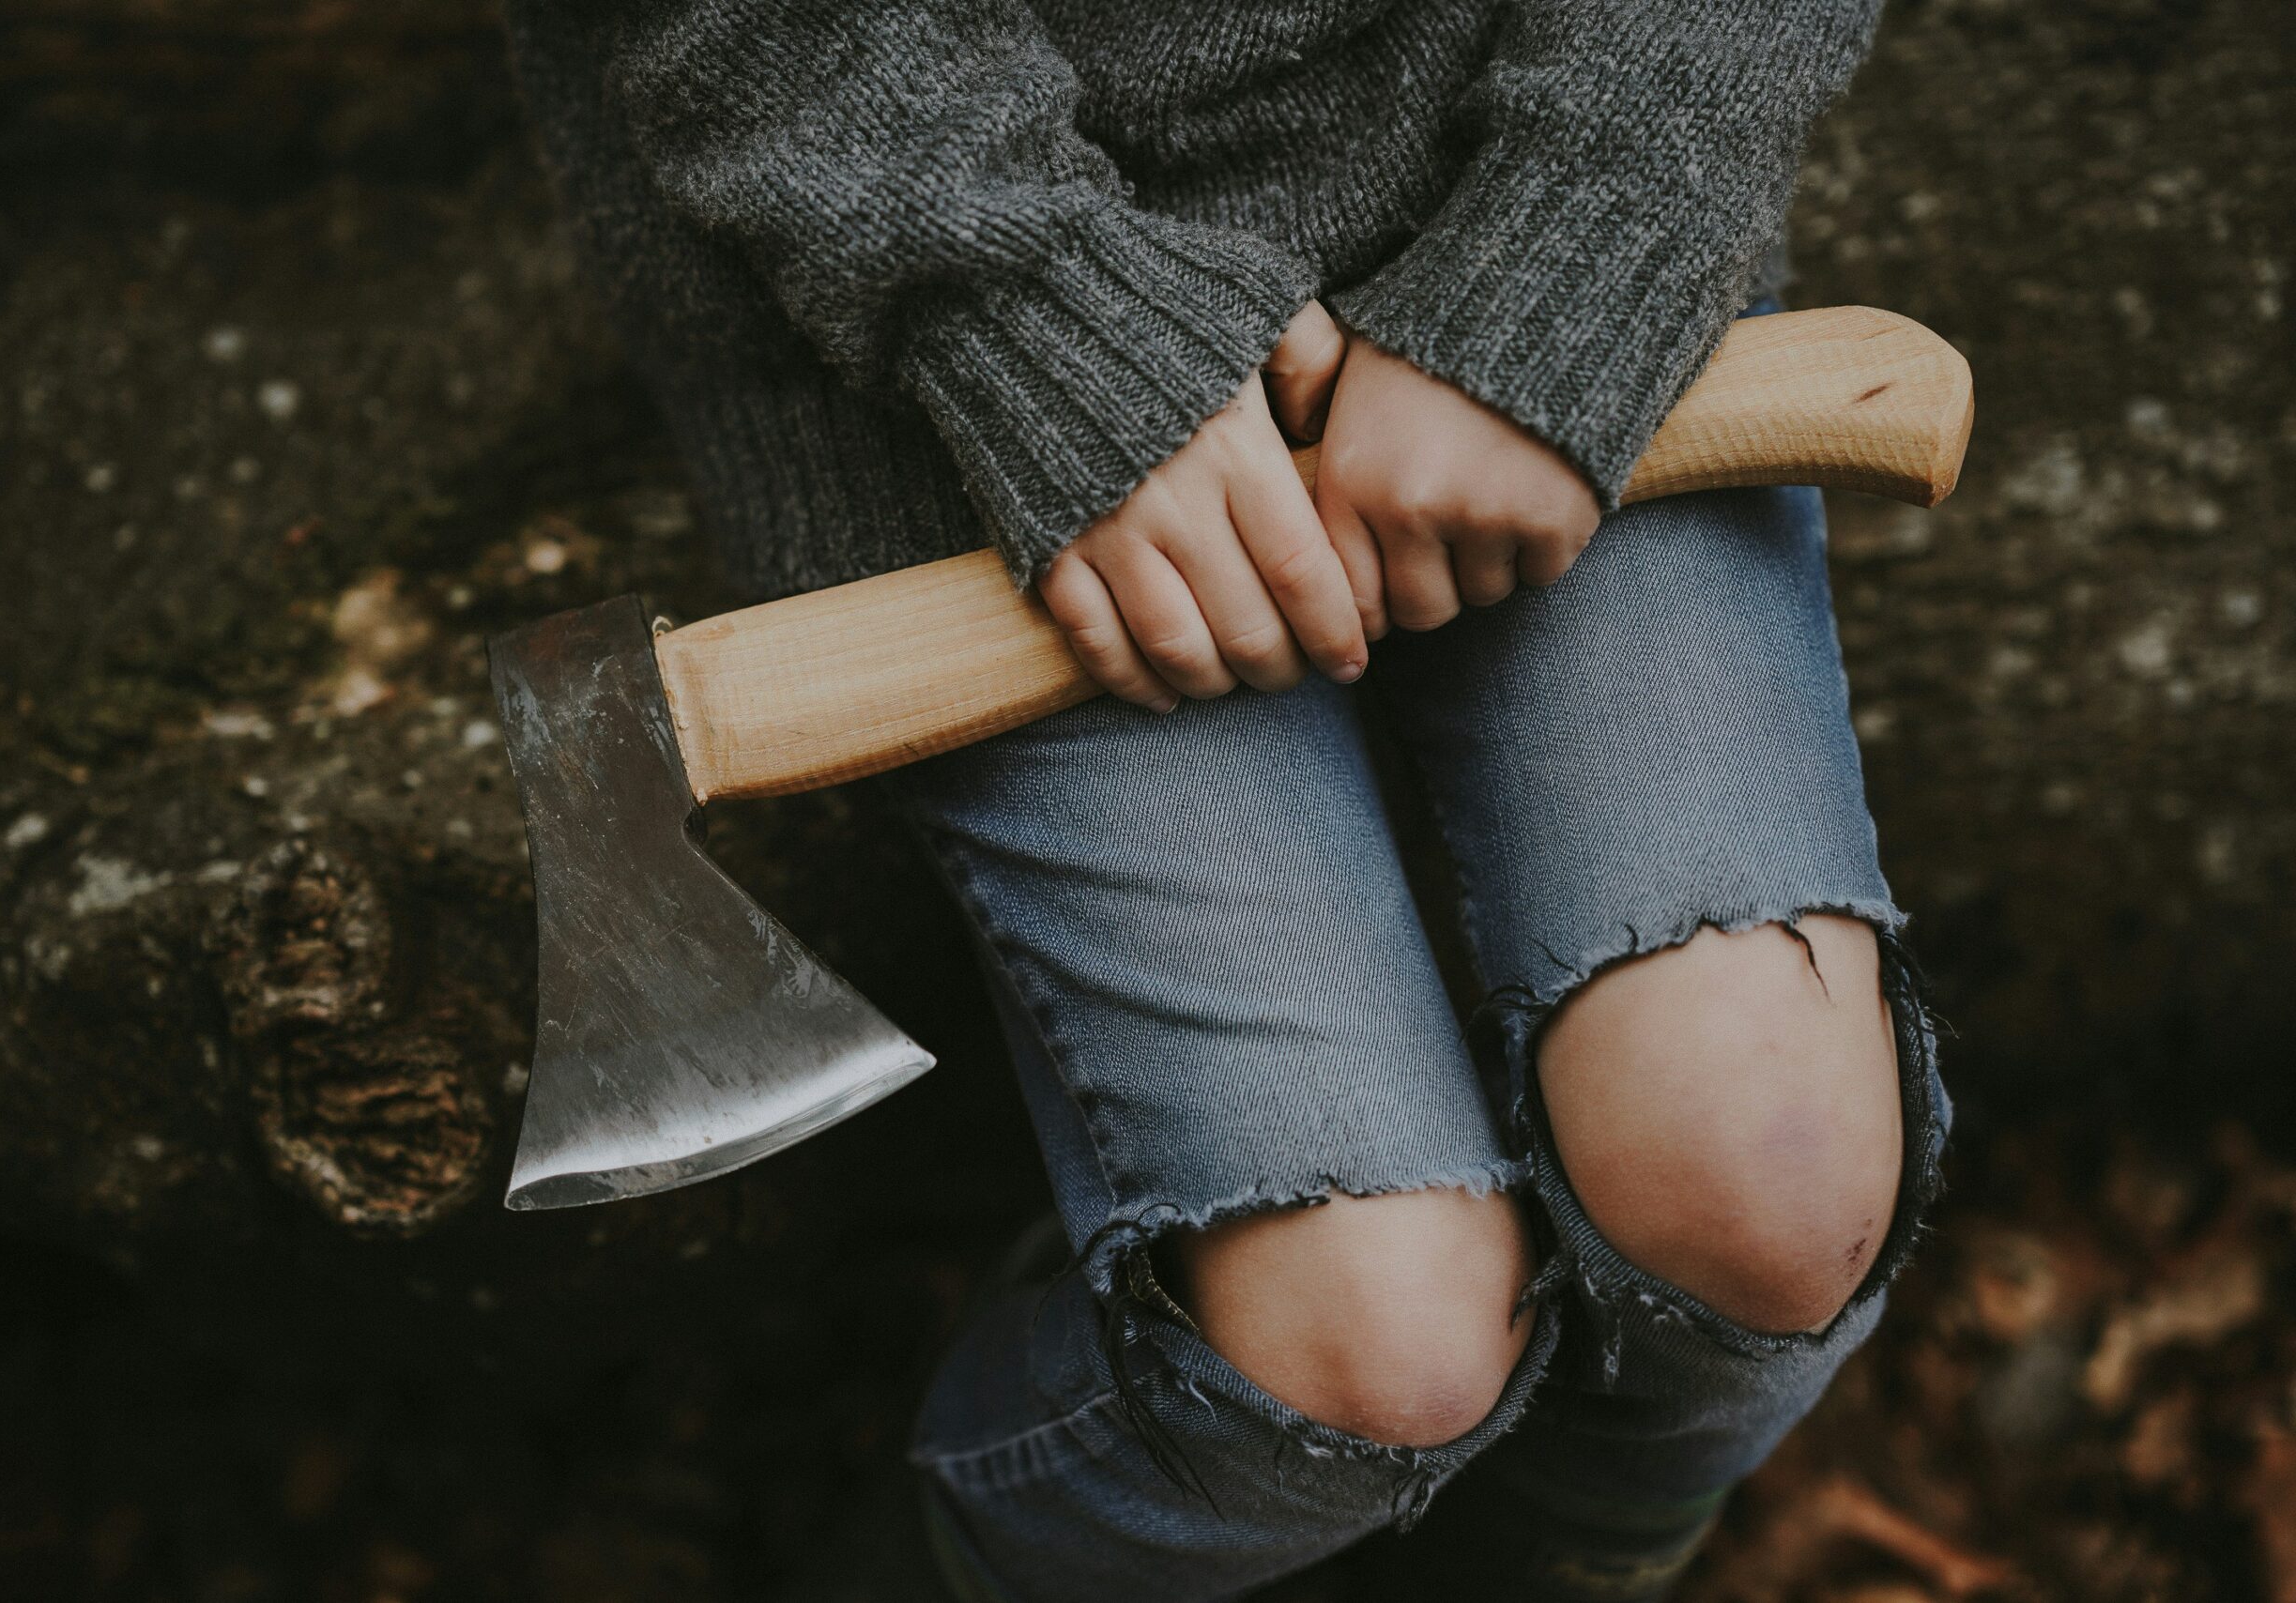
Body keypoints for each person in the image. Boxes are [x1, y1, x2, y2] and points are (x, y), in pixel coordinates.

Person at [501, 3, 1951, 1597]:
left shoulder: (1579, 212)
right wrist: (1016, 299)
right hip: (933, 335)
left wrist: (1582, 237)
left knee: (1773, 1187)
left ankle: (1531, 1569)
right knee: (1368, 1346)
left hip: (1546, 194)